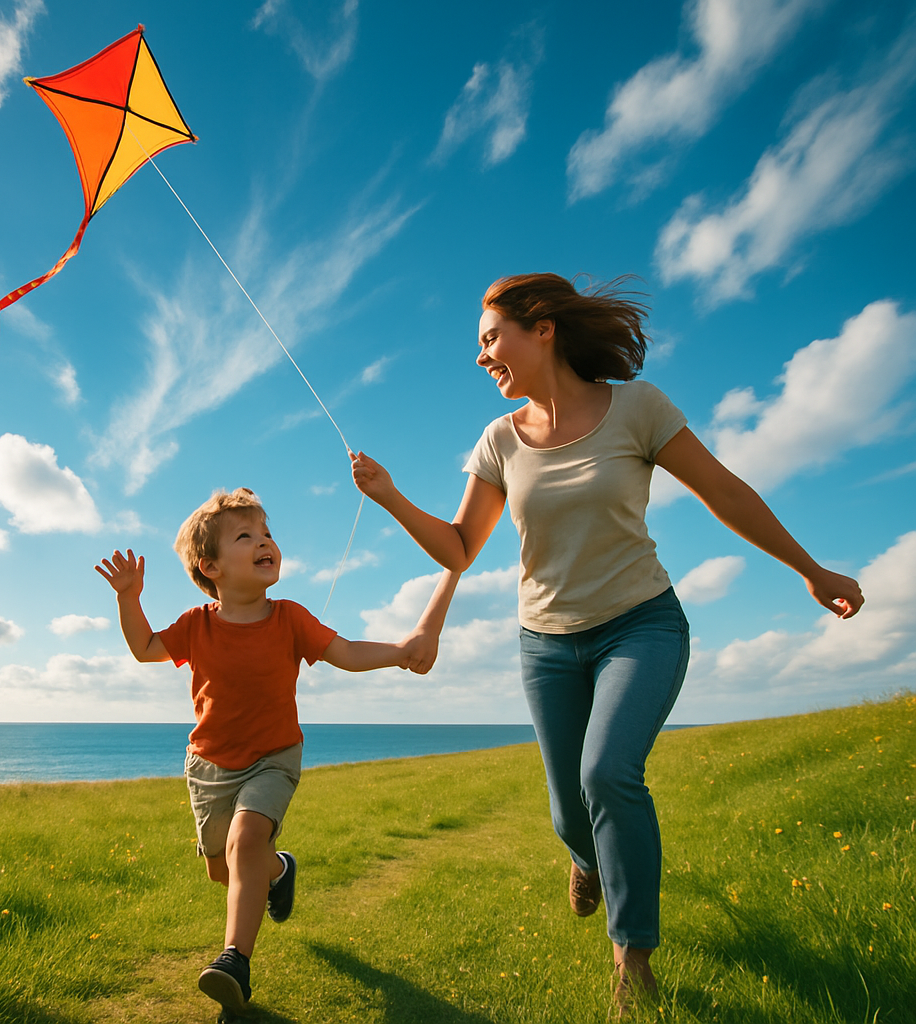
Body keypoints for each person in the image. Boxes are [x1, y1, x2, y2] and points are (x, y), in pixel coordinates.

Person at [349, 273, 863, 1016]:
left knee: (608, 773)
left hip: (641, 625)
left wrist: (810, 570)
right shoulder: (498, 440)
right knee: (569, 815)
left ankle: (634, 960)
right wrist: (392, 496)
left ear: (544, 328)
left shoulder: (638, 409)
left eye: (490, 337)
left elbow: (726, 492)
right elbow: (461, 548)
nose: (480, 356)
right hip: (546, 645)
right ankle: (587, 858)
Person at [96, 488, 430, 1021]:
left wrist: (399, 652)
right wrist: (128, 598)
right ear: (211, 567)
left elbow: (344, 652)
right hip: (210, 766)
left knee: (245, 838)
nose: (265, 542)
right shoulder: (196, 624)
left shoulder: (290, 618)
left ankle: (235, 964)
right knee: (225, 868)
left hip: (274, 756)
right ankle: (278, 869)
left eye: (267, 533)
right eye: (245, 536)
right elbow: (146, 649)